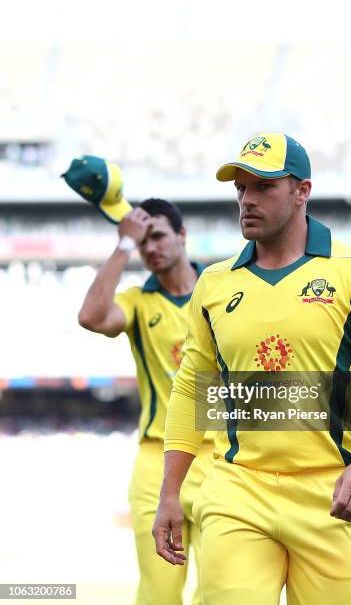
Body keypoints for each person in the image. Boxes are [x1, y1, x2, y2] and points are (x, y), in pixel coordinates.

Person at [152, 133, 351, 605]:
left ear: (302, 191)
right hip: (237, 491)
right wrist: (170, 493)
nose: (247, 200)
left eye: (263, 186)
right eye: (241, 189)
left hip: (332, 494)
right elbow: (191, 390)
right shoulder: (214, 283)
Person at [78, 198, 214, 605]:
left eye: (157, 236)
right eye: (142, 243)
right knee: (159, 593)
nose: (149, 247)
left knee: (222, 590)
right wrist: (123, 245)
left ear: (182, 235)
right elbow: (91, 317)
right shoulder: (138, 301)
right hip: (157, 460)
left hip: (219, 460)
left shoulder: (222, 291)